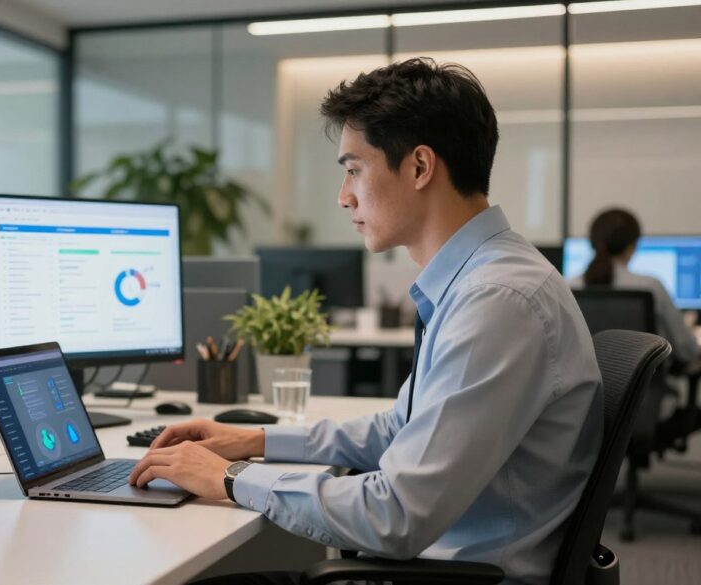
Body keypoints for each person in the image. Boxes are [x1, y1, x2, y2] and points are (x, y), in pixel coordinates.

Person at [127, 57, 603, 585]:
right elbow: (399, 429)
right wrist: (253, 441)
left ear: (420, 167)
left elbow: (394, 514)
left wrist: (232, 477)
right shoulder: (483, 281)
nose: (343, 195)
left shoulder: (497, 300)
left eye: (354, 168)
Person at [571, 208, 700, 365]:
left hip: (588, 387)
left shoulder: (568, 286)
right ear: (631, 246)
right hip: (646, 388)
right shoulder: (650, 286)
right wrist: (687, 326)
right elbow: (688, 350)